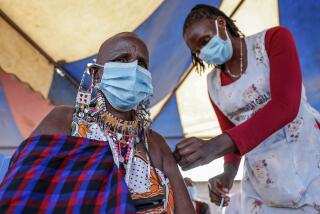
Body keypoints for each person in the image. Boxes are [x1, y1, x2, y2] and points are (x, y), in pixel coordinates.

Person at [0, 32, 194, 213]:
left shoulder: (155, 143)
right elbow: (22, 189)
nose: (133, 69)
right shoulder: (66, 120)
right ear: (96, 74)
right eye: (121, 59)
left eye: (141, 64)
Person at [174, 4, 320, 213]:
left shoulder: (273, 40)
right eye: (197, 51)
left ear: (221, 24)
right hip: (265, 183)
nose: (204, 52)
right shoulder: (213, 83)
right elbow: (231, 137)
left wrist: (214, 146)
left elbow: (286, 106)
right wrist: (227, 174)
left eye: (205, 41)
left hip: (307, 162)